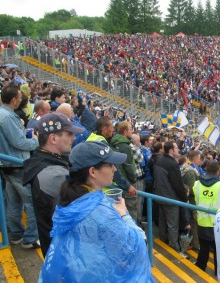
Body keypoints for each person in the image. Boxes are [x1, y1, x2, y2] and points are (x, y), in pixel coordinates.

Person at [39, 141, 153, 282]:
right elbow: (139, 244)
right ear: (92, 172)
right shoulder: (100, 214)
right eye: (110, 165)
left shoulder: (69, 199)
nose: (115, 169)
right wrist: (124, 215)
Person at [23, 112, 83, 257]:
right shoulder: (52, 175)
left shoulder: (49, 160)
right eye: (69, 134)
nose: (73, 138)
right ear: (53, 138)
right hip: (62, 254)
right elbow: (82, 209)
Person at [0, 86, 40, 249]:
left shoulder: (4, 114)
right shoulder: (8, 117)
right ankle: (30, 238)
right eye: (19, 97)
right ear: (14, 100)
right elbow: (20, 143)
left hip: (7, 164)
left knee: (14, 202)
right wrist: (36, 140)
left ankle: (16, 234)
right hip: (16, 164)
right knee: (32, 202)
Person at [153, 141, 188, 252]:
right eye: (176, 148)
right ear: (171, 150)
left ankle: (163, 242)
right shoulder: (172, 164)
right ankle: (174, 248)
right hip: (170, 198)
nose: (178, 150)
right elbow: (177, 184)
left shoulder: (159, 160)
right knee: (173, 225)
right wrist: (184, 198)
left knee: (163, 222)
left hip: (160, 196)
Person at [193, 161, 220, 274]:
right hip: (217, 222)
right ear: (218, 171)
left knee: (204, 247)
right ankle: (218, 271)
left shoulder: (197, 184)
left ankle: (200, 267)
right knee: (218, 250)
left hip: (201, 221)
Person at [110, 121, 139, 220]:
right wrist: (133, 181)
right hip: (126, 183)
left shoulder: (113, 141)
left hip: (119, 182)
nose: (132, 132)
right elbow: (129, 166)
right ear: (125, 131)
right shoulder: (125, 146)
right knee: (131, 211)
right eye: (130, 129)